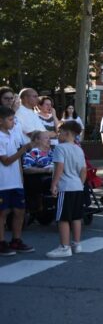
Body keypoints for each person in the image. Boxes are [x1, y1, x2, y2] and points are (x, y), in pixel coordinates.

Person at [45, 120, 86, 258]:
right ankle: (77, 244)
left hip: (65, 187)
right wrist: (80, 184)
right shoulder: (79, 149)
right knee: (76, 217)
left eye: (60, 132)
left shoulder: (60, 148)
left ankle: (64, 247)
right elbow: (83, 170)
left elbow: (59, 167)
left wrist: (53, 184)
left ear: (67, 133)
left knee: (63, 218)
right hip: (77, 186)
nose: (58, 134)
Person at [0, 106, 35, 256]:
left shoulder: (13, 133)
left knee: (19, 211)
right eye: (10, 119)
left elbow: (17, 161)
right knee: (2, 213)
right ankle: (1, 242)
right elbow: (6, 161)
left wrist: (21, 178)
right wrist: (22, 150)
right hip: (2, 183)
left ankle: (16, 240)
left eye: (13, 119)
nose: (13, 122)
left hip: (16, 181)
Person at [22, 130, 54, 219]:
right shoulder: (33, 152)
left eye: (49, 138)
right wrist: (45, 170)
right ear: (37, 140)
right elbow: (26, 169)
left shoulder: (52, 151)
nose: (49, 140)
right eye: (46, 138)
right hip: (42, 178)